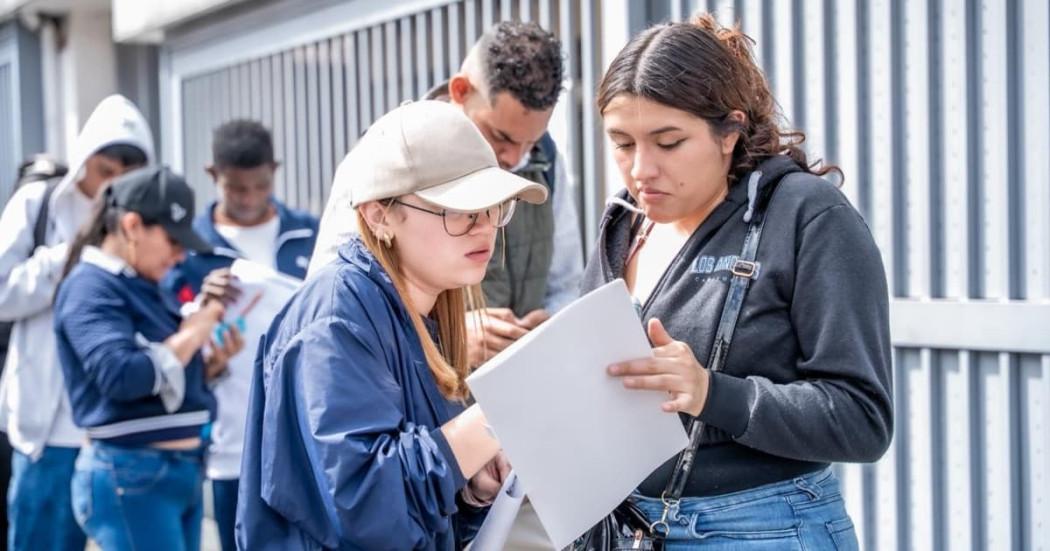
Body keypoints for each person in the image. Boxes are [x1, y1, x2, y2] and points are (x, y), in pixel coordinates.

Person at [588, 15, 893, 548]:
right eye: (622, 143)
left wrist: (711, 393)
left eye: (668, 142)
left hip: (766, 529)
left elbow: (862, 418)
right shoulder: (624, 224)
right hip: (632, 529)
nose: (641, 170)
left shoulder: (807, 216)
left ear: (729, 131)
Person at [237, 100, 547, 550]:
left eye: (494, 206)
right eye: (457, 210)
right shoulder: (336, 317)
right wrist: (497, 415)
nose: (485, 226)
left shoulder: (419, 305)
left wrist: (467, 490)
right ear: (379, 215)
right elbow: (365, 505)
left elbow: (412, 511)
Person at [310, 21, 582, 368]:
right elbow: (332, 297)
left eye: (530, 143)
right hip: (422, 399)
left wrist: (552, 328)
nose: (514, 158)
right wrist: (445, 337)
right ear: (460, 90)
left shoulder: (546, 159)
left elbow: (566, 280)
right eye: (501, 137)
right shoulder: (384, 158)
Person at [53, 166, 243, 551]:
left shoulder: (142, 282)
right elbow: (122, 375)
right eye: (173, 241)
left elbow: (162, 382)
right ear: (132, 226)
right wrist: (194, 332)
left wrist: (211, 365)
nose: (179, 256)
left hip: (172, 471)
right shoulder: (90, 286)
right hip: (132, 473)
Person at [0, 95, 153, 551]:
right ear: (84, 161)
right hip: (48, 434)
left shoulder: (146, 220)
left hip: (120, 432)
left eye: (126, 176)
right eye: (105, 171)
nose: (114, 185)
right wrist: (66, 257)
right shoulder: (39, 204)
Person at [160, 119, 318, 551]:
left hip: (307, 435)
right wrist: (206, 347)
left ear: (275, 170)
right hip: (233, 444)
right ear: (212, 175)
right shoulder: (187, 252)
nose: (249, 199)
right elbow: (169, 353)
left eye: (260, 186)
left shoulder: (311, 233)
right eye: (235, 189)